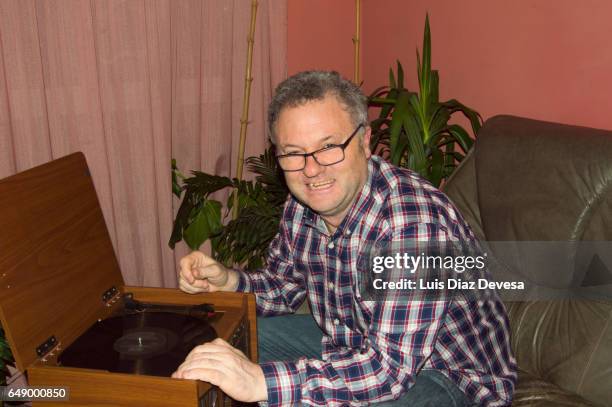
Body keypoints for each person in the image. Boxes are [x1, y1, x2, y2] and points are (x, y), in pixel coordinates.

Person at [172, 71, 517, 406]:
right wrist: (228, 280)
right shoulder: (302, 205)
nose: (311, 169)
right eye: (294, 153)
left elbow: (389, 371)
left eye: (329, 146)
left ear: (364, 142)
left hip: (446, 375)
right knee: (219, 343)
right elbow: (282, 288)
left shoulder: (413, 228)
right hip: (349, 342)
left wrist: (261, 382)